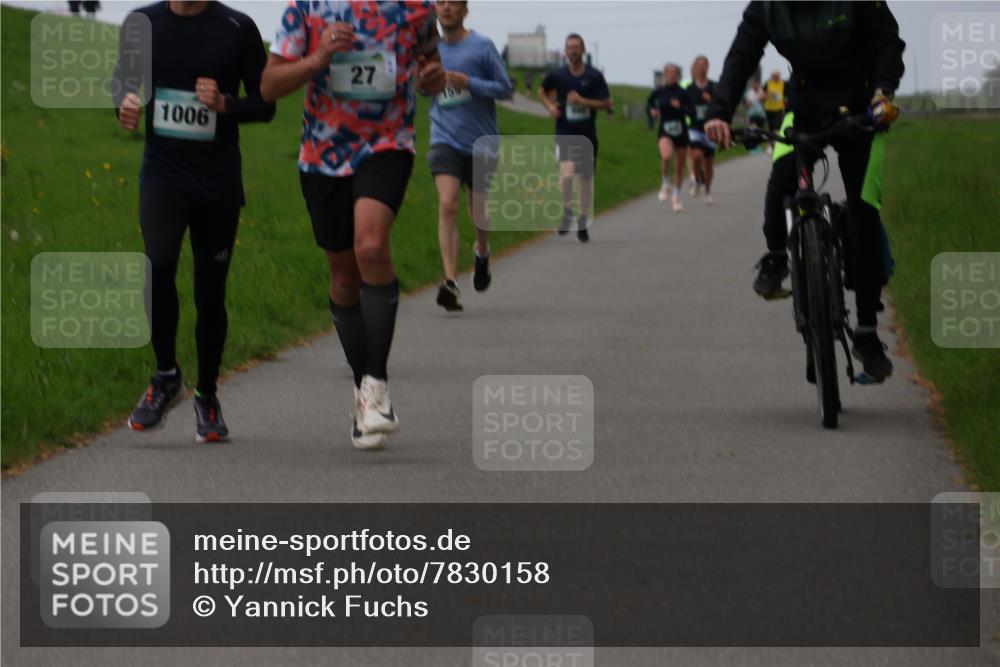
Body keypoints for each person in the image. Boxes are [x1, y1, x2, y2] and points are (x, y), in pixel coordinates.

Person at [261, 0, 446, 450]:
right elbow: (269, 85)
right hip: (322, 157)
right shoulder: (304, 7)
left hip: (387, 144)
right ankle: (363, 389)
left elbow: (431, 65)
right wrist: (316, 59)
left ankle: (377, 387)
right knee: (343, 277)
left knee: (371, 247)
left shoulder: (416, 7)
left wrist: (430, 79)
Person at [705, 0, 904, 384]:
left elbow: (887, 42)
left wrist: (883, 90)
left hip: (862, 106)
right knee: (781, 179)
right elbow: (741, 58)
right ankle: (778, 256)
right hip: (806, 106)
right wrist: (719, 111)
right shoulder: (766, 6)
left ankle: (866, 329)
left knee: (864, 212)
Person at [114, 0, 275, 441]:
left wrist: (226, 103)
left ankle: (207, 394)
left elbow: (265, 105)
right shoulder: (141, 23)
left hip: (217, 181)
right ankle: (166, 375)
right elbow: (123, 85)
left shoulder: (237, 27)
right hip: (163, 174)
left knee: (210, 290)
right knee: (158, 263)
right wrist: (124, 104)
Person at [428, 0, 512, 312]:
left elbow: (505, 89)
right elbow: (423, 88)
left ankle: (482, 252)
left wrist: (469, 82)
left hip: (481, 141)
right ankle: (450, 281)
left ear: (465, 11)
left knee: (478, 209)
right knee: (447, 203)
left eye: (454, 4)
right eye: (441, 3)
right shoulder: (429, 49)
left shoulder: (482, 46)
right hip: (444, 138)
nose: (446, 8)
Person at [538, 33, 611, 243]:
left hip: (587, 134)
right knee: (566, 174)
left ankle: (582, 220)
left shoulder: (594, 76)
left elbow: (606, 103)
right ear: (565, 51)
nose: (573, 51)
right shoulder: (559, 75)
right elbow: (541, 91)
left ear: (583, 50)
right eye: (569, 47)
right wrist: (550, 106)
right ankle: (567, 211)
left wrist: (583, 101)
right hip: (565, 131)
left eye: (577, 47)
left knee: (585, 180)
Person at [648, 63, 695, 212]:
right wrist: (652, 111)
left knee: (679, 167)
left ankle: (676, 197)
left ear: (678, 75)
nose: (671, 76)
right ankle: (665, 183)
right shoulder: (659, 91)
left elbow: (692, 112)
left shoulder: (683, 93)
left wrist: (679, 108)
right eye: (669, 73)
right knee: (666, 156)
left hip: (681, 131)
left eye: (675, 73)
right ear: (664, 75)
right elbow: (649, 103)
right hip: (665, 129)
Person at [685, 55, 718, 205]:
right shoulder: (690, 89)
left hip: (710, 130)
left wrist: (710, 100)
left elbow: (720, 104)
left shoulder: (713, 87)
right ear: (695, 67)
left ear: (708, 67)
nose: (702, 67)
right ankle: (697, 179)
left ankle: (707, 191)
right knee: (696, 156)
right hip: (695, 129)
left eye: (704, 65)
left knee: (709, 163)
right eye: (699, 65)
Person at [763, 69, 786, 154]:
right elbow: (764, 96)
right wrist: (765, 96)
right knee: (771, 128)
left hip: (779, 109)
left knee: (777, 128)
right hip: (769, 109)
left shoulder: (783, 84)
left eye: (777, 76)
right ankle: (772, 146)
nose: (776, 78)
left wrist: (784, 108)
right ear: (772, 76)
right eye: (774, 76)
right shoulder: (768, 83)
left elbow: (785, 97)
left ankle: (776, 146)